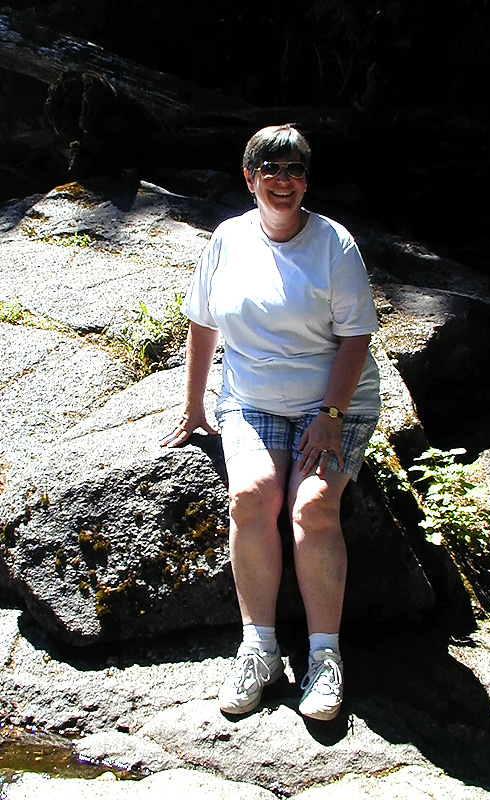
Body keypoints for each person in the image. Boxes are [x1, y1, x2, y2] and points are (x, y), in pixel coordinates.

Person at [161, 124, 380, 722]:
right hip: (253, 400)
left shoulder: (335, 246)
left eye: (295, 171)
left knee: (312, 506)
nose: (284, 182)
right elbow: (203, 324)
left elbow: (357, 336)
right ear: (249, 175)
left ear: (306, 181)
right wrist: (194, 406)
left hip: (334, 401)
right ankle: (258, 649)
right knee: (253, 496)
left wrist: (331, 417)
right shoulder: (228, 240)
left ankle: (324, 657)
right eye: (271, 169)